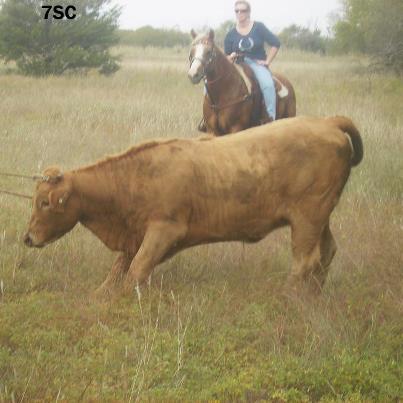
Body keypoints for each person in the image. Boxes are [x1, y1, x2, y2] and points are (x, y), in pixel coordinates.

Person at [224, 0, 280, 121]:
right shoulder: (230, 34)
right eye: (237, 11)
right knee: (209, 86)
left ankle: (271, 117)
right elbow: (226, 57)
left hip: (256, 63)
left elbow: (275, 43)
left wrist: (267, 61)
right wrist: (231, 56)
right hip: (237, 64)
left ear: (249, 12)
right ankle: (209, 119)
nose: (240, 13)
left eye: (243, 10)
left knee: (268, 85)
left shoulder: (258, 27)